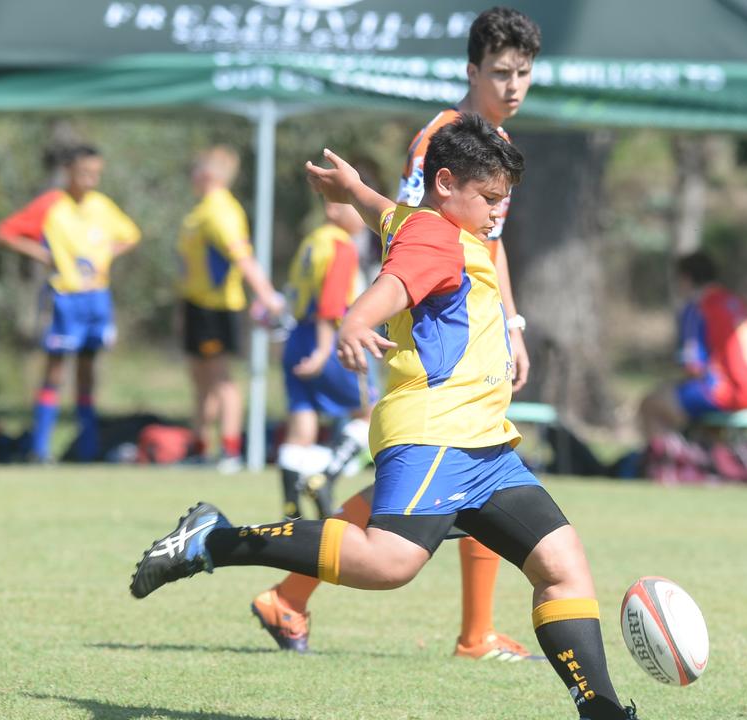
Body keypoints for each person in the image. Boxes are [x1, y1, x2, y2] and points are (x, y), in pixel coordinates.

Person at [131, 116, 641, 720]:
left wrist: (355, 192)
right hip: (437, 435)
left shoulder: (423, 217)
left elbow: (387, 213)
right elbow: (394, 284)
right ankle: (215, 540)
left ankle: (602, 711)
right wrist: (354, 319)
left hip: (486, 447)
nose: (498, 214)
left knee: (562, 565)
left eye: (504, 201)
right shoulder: (438, 238)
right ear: (446, 182)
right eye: (490, 199)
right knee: (389, 562)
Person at [250, 4, 544, 662]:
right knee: (453, 469)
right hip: (435, 324)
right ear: (472, 71)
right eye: (501, 72)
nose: (514, 85)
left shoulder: (493, 147)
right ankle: (291, 592)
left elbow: (488, 248)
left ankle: (469, 632)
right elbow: (413, 228)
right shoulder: (444, 140)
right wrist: (381, 310)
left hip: (475, 323)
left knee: (477, 463)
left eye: (524, 72)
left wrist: (513, 325)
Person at [0, 144, 140, 463]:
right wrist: (42, 254)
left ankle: (87, 447)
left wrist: (104, 257)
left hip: (97, 299)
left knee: (88, 370)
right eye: (85, 173)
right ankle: (40, 447)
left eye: (96, 174)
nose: (91, 180)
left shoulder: (102, 205)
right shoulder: (51, 204)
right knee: (56, 369)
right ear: (68, 172)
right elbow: (4, 233)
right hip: (65, 298)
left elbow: (131, 236)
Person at [177, 145, 285, 472]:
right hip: (195, 305)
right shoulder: (201, 210)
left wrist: (268, 297)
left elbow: (242, 258)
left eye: (195, 172)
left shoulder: (220, 211)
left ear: (207, 175)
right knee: (200, 379)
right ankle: (198, 447)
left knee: (222, 379)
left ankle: (230, 450)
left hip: (217, 308)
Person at [273, 194, 376, 520]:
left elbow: (294, 292)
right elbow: (331, 304)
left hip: (297, 336)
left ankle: (291, 508)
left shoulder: (311, 242)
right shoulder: (341, 246)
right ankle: (325, 475)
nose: (362, 216)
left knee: (302, 420)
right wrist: (322, 350)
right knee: (368, 414)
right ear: (333, 208)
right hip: (330, 339)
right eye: (355, 207)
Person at [638, 250, 747, 440]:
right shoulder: (736, 303)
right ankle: (712, 454)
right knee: (689, 401)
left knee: (651, 403)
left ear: (686, 279)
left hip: (731, 393)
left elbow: (694, 366)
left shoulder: (699, 307)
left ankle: (668, 463)